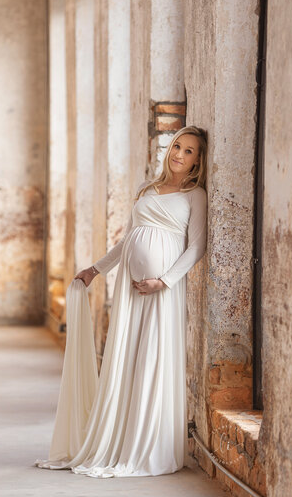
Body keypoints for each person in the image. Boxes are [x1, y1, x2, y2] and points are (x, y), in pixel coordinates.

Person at [35, 125, 208, 478]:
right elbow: (129, 239)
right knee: (127, 359)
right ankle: (123, 438)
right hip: (131, 292)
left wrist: (163, 280)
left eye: (189, 151)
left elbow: (196, 247)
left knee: (153, 359)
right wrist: (95, 270)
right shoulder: (146, 188)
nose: (179, 154)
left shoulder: (195, 195)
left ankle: (148, 445)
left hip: (163, 292)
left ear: (197, 161)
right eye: (177, 146)